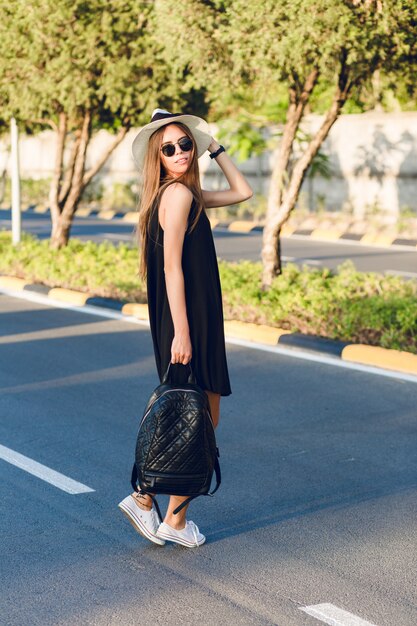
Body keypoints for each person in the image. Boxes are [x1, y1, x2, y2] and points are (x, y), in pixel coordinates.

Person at [118, 108, 253, 547]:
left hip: (195, 319)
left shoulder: (186, 193)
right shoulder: (176, 197)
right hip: (187, 321)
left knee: (199, 417)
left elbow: (242, 191)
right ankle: (149, 502)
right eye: (168, 148)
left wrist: (214, 146)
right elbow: (172, 268)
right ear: (157, 158)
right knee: (197, 417)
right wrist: (183, 331)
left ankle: (167, 514)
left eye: (185, 144)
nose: (178, 152)